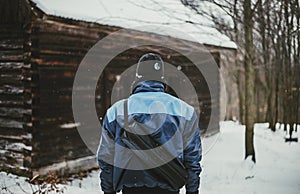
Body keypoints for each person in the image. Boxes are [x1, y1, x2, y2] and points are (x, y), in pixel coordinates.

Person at [97, 53, 202, 194]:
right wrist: (192, 191)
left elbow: (106, 157)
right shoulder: (185, 111)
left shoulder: (116, 111)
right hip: (169, 183)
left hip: (131, 186)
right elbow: (192, 159)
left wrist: (108, 190)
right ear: (162, 78)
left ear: (138, 77)